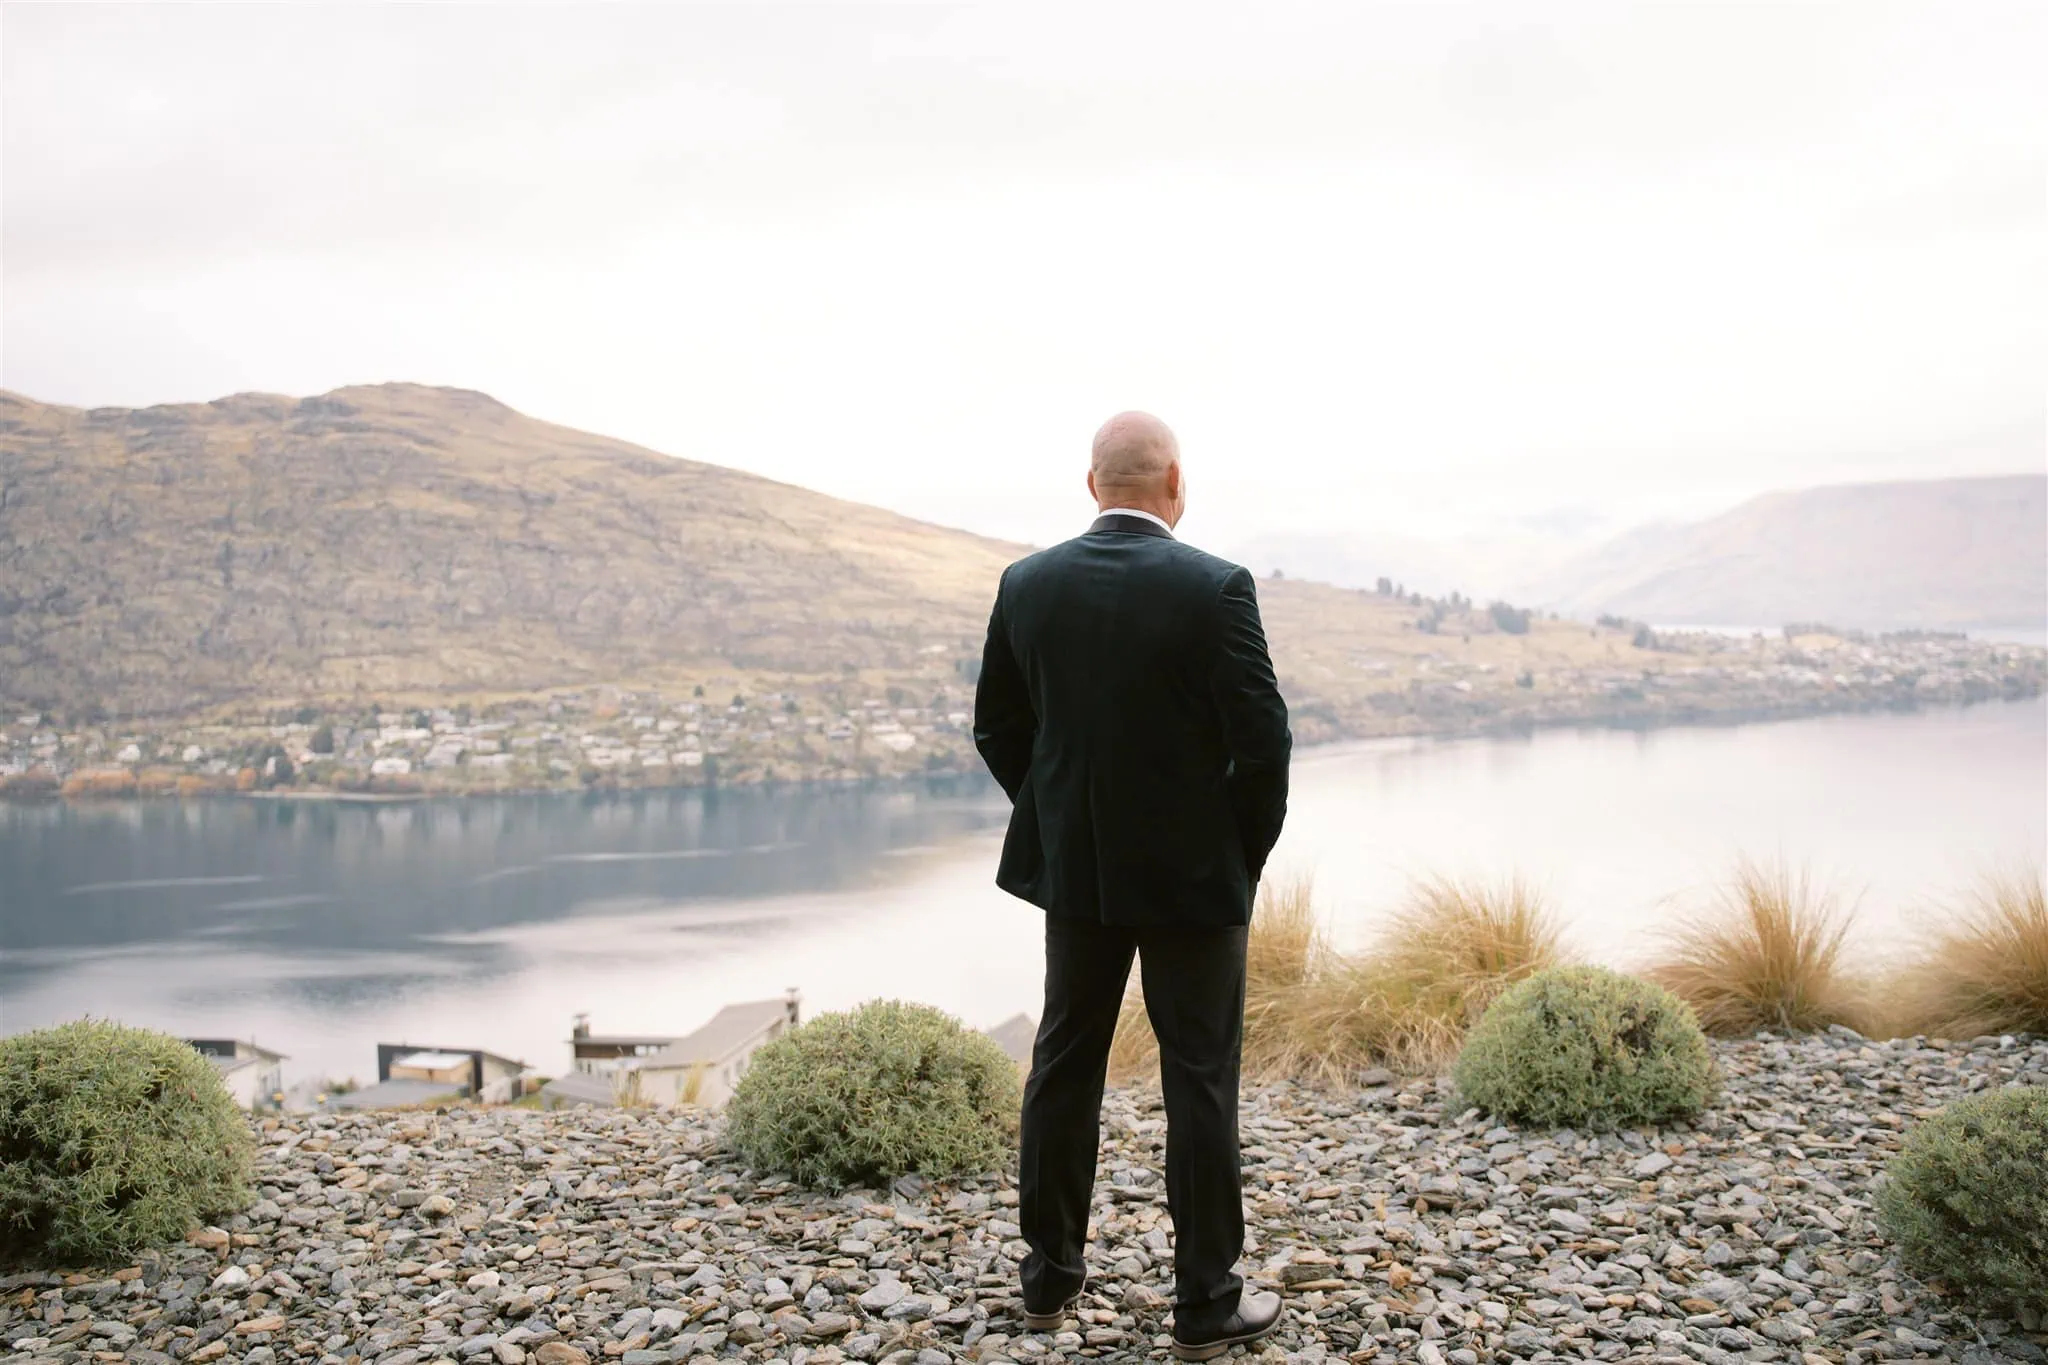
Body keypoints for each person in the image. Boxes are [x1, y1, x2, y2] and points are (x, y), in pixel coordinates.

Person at [973, 411, 1292, 1361]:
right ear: (1176, 483)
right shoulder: (1216, 587)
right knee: (1198, 1078)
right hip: (1196, 883)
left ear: (1092, 484)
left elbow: (999, 728)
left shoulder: (1026, 584)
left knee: (1064, 1062)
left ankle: (1047, 1282)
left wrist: (1065, 824)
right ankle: (1204, 1307)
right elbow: (1263, 744)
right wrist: (1239, 854)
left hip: (1080, 878)